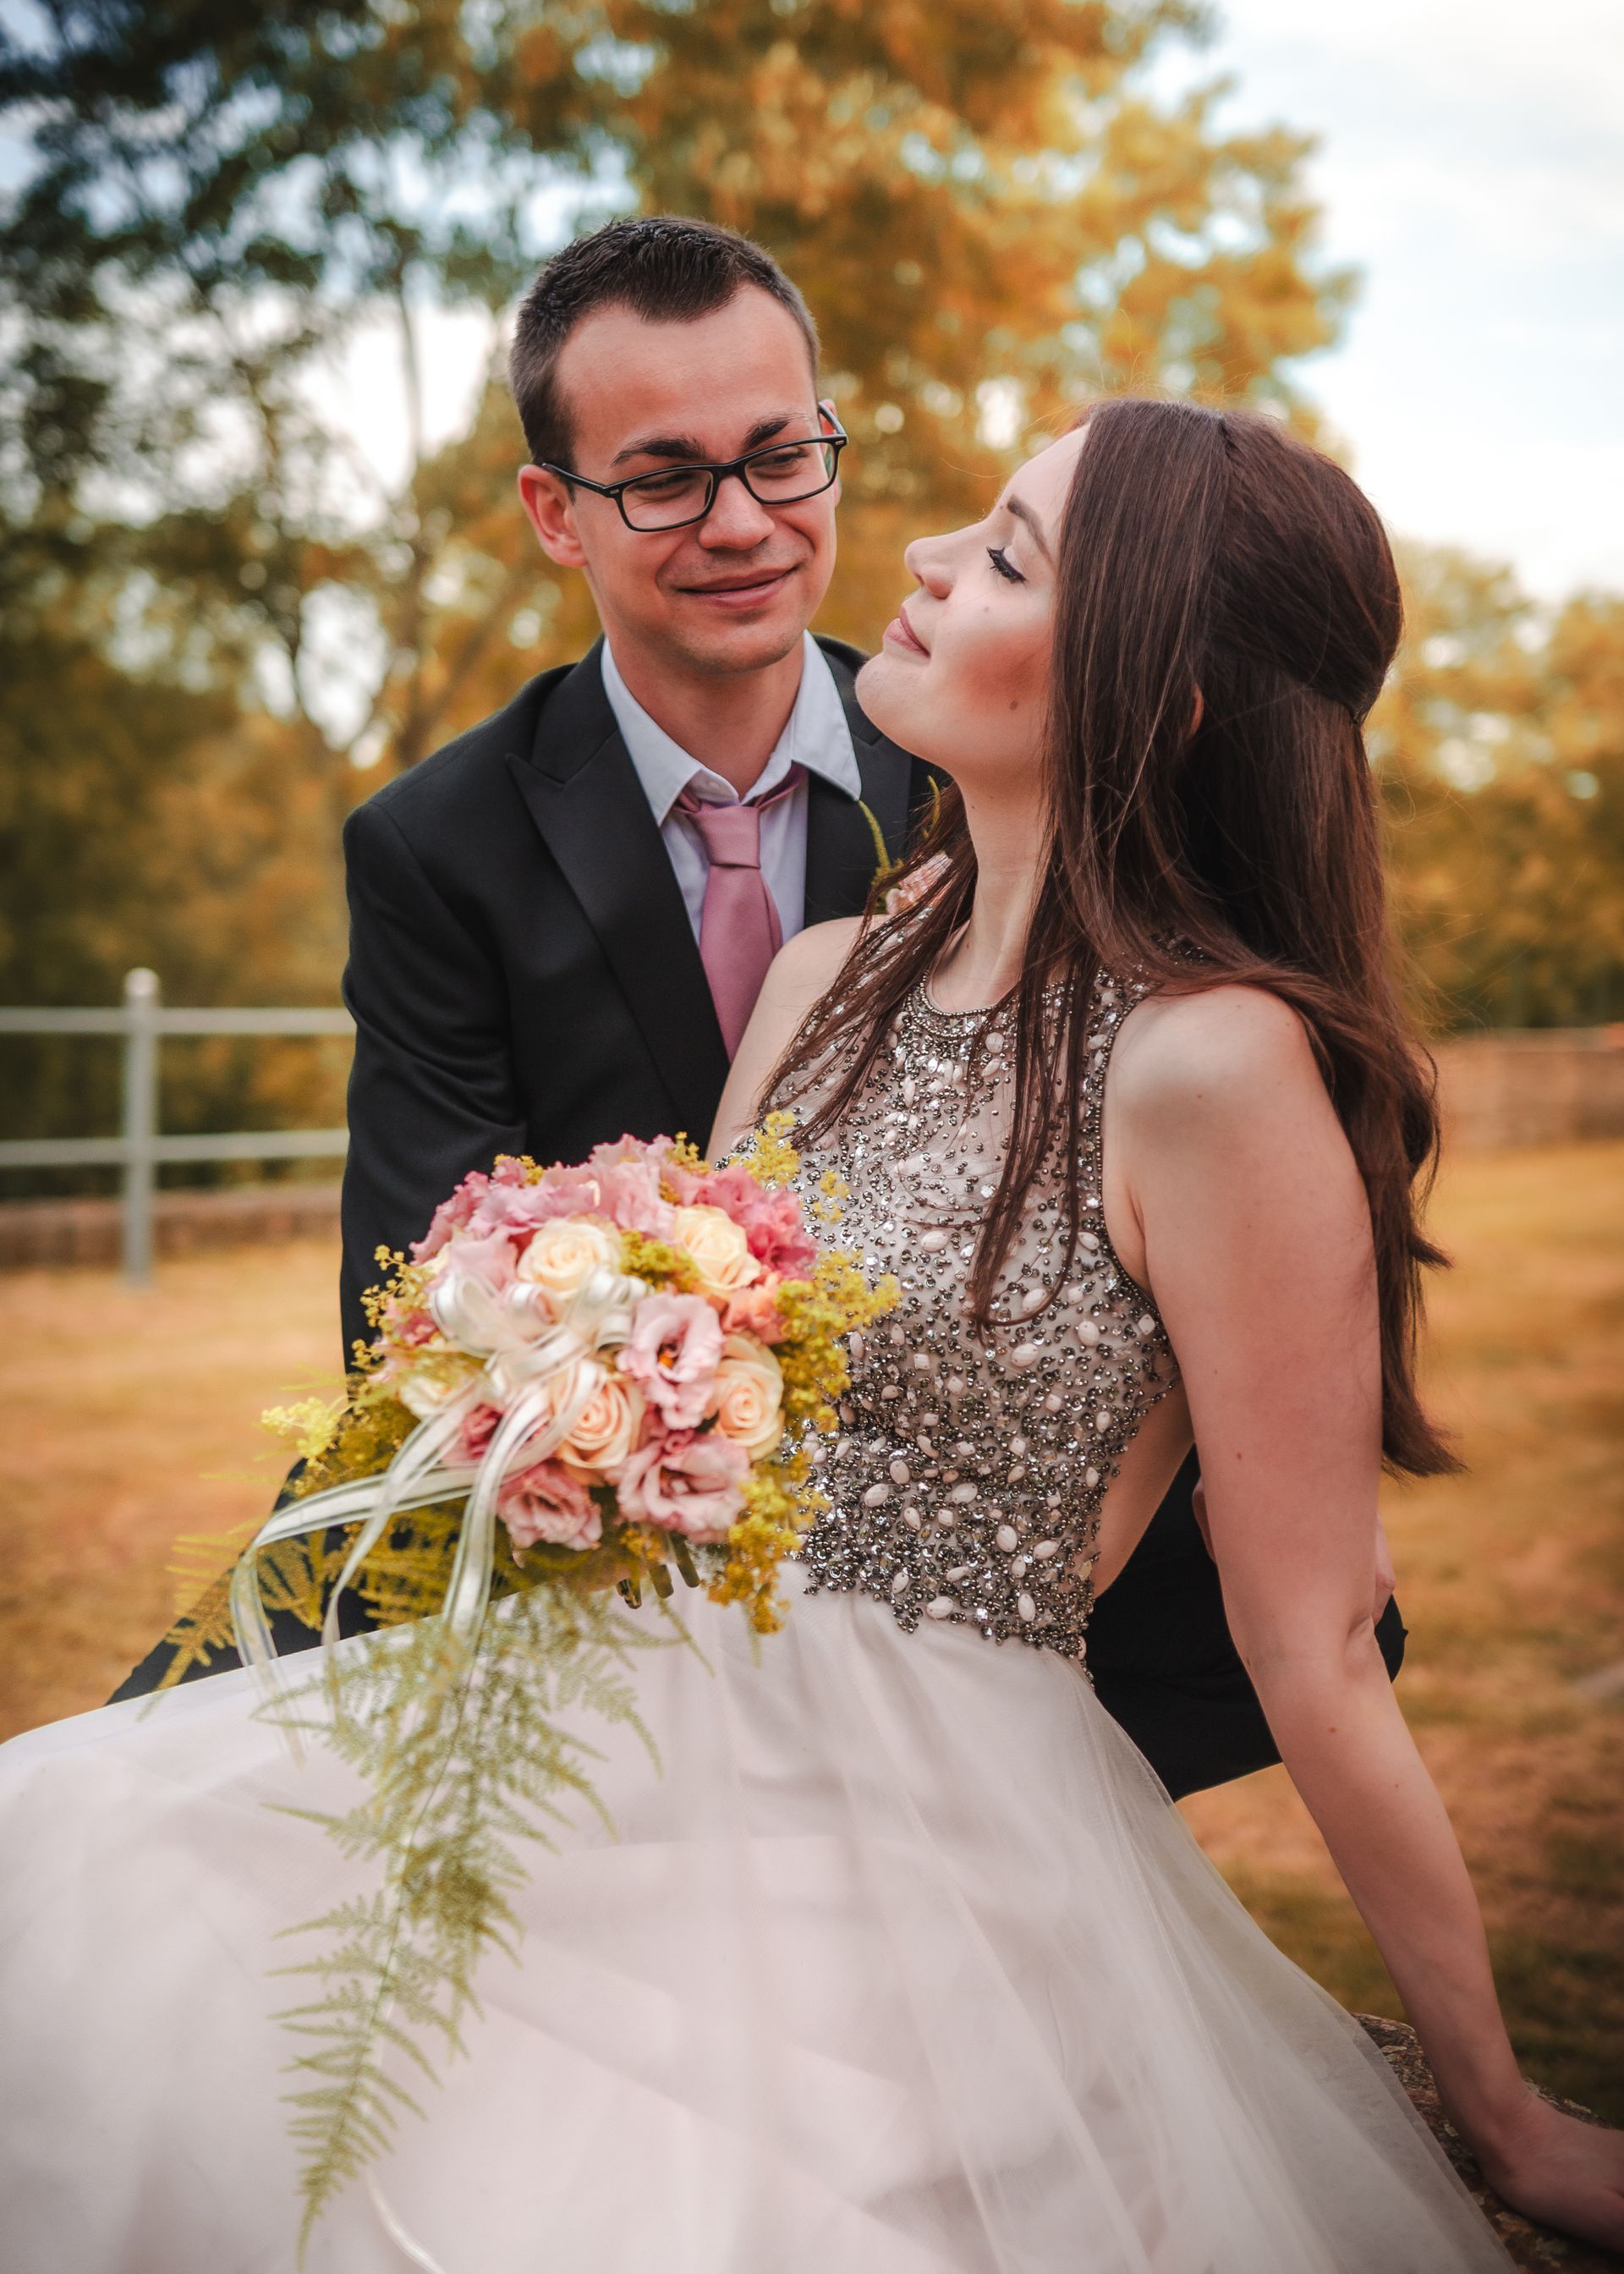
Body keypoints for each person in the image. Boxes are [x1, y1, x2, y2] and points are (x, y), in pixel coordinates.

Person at [4, 398, 1621, 2271]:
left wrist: (1502, 2111)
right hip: (630, 1709)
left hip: (922, 1819)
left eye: (1007, 555)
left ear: (1158, 701)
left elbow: (1314, 1637)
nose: (921, 559)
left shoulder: (1215, 1064)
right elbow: (713, 1388)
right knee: (99, 1885)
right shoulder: (821, 979)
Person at [107, 218, 1392, 1809]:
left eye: (781, 458)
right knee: (150, 1793)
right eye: (664, 480)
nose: (742, 523)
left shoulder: (994, 734)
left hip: (996, 1543)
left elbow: (1241, 1088)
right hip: (589, 1494)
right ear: (557, 514)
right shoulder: (440, 847)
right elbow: (421, 1303)